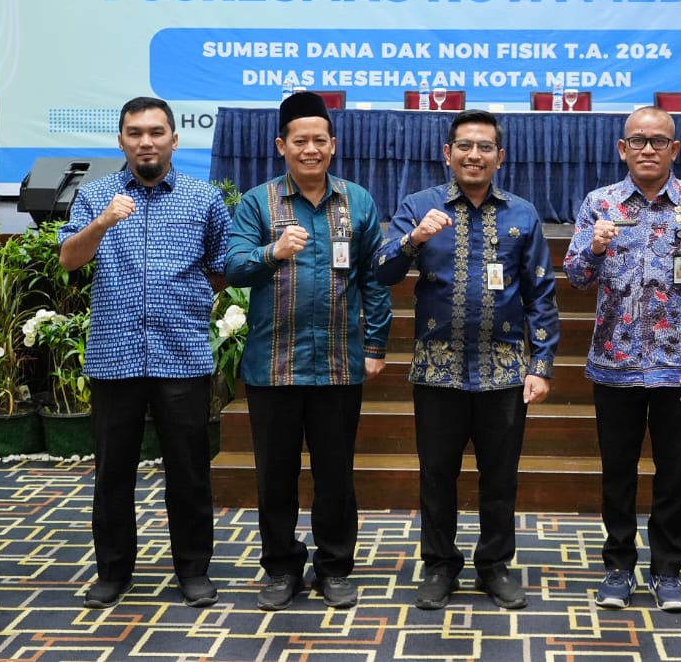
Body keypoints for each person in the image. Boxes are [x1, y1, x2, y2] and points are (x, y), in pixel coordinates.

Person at [374, 109, 559, 611]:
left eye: (484, 147)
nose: (474, 155)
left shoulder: (523, 213)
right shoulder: (420, 206)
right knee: (437, 475)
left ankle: (495, 566)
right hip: (438, 370)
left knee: (500, 477)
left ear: (500, 156)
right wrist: (413, 239)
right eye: (464, 146)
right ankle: (439, 565)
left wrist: (541, 365)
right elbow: (383, 272)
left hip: (504, 370)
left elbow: (541, 294)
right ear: (447, 153)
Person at [58, 96, 231, 609]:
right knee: (113, 472)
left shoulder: (203, 199)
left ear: (174, 139)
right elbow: (69, 259)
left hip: (182, 354)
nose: (146, 142)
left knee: (189, 471)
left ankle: (193, 571)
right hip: (115, 357)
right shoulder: (96, 196)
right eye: (135, 133)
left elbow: (222, 267)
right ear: (121, 141)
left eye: (156, 132)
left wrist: (188, 298)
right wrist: (102, 223)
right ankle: (112, 572)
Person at [562, 105, 681, 613]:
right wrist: (594, 249)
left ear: (673, 149)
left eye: (658, 141)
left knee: (672, 473)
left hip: (680, 367)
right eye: (637, 140)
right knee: (617, 471)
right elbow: (575, 276)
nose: (647, 149)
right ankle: (618, 567)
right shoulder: (600, 204)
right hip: (614, 364)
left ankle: (668, 571)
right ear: (623, 149)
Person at [224, 91, 392, 611]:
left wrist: (376, 343)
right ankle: (280, 569)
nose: (311, 149)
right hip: (273, 365)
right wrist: (272, 251)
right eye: (301, 141)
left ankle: (335, 567)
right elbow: (233, 267)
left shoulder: (357, 202)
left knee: (335, 475)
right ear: (282, 146)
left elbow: (374, 279)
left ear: (333, 145)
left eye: (320, 140)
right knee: (275, 477)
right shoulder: (258, 202)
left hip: (339, 364)